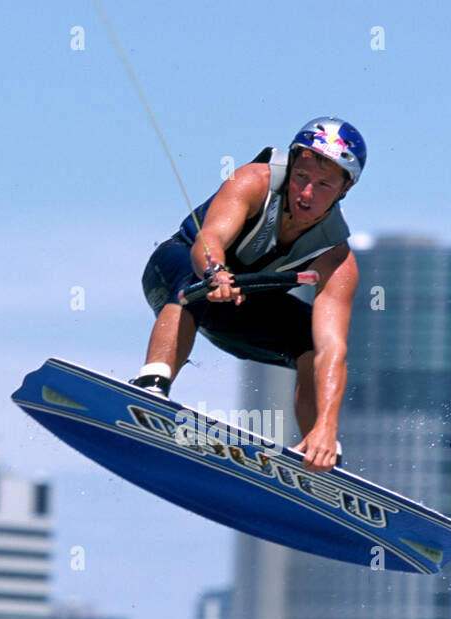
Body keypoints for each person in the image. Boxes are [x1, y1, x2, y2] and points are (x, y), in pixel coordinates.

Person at [132, 117, 365, 473]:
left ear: (344, 190)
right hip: (176, 273)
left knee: (313, 344)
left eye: (322, 185)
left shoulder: (337, 257)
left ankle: (315, 449)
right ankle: (151, 386)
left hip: (240, 313)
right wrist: (215, 272)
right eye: (301, 177)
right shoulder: (253, 181)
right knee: (191, 283)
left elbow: (333, 349)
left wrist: (328, 426)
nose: (306, 193)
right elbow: (209, 239)